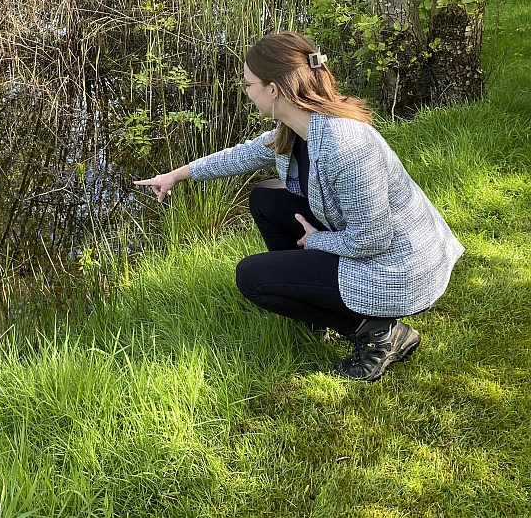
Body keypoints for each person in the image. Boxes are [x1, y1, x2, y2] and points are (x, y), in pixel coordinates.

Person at [134, 32, 464, 382]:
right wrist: (176, 175)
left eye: (248, 84)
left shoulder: (344, 147)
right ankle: (315, 307)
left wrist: (317, 240)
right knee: (266, 198)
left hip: (400, 268)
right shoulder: (298, 125)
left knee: (253, 278)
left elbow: (371, 240)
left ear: (273, 89)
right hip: (377, 243)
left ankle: (378, 333)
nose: (246, 91)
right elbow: (244, 154)